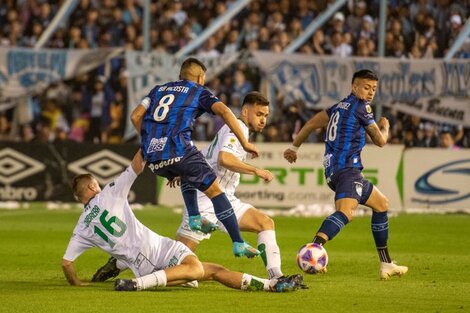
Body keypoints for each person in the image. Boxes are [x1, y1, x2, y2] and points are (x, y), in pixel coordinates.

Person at [62, 150, 303, 292]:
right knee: (197, 269)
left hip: (159, 248)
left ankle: (272, 286)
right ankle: (135, 284)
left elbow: (66, 263)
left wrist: (78, 284)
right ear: (94, 185)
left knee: (214, 271)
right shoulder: (110, 193)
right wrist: (149, 137)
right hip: (151, 257)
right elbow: (137, 165)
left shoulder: (81, 227)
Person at [283, 69, 408, 280]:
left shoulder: (337, 107)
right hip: (347, 170)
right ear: (354, 87)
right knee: (346, 213)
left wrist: (294, 148)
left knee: (381, 204)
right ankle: (314, 248)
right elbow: (380, 141)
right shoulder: (362, 107)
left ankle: (386, 263)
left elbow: (311, 124)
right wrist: (386, 127)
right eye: (366, 87)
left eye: (374, 89)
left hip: (337, 170)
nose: (370, 93)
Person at [130, 57, 259, 258]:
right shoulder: (198, 91)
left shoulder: (158, 90)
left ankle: (195, 218)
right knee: (216, 191)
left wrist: (148, 141)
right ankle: (238, 243)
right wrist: (245, 142)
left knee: (187, 171)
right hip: (178, 148)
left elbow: (135, 116)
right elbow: (224, 111)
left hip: (153, 156)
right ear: (200, 77)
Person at [172, 91, 286, 280]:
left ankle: (277, 277)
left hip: (225, 198)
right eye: (259, 114)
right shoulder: (238, 127)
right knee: (175, 262)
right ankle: (124, 262)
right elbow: (224, 159)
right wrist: (256, 170)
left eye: (266, 116)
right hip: (206, 198)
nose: (263, 120)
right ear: (245, 111)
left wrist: (184, 169)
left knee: (265, 223)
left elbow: (208, 153)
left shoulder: (236, 129)